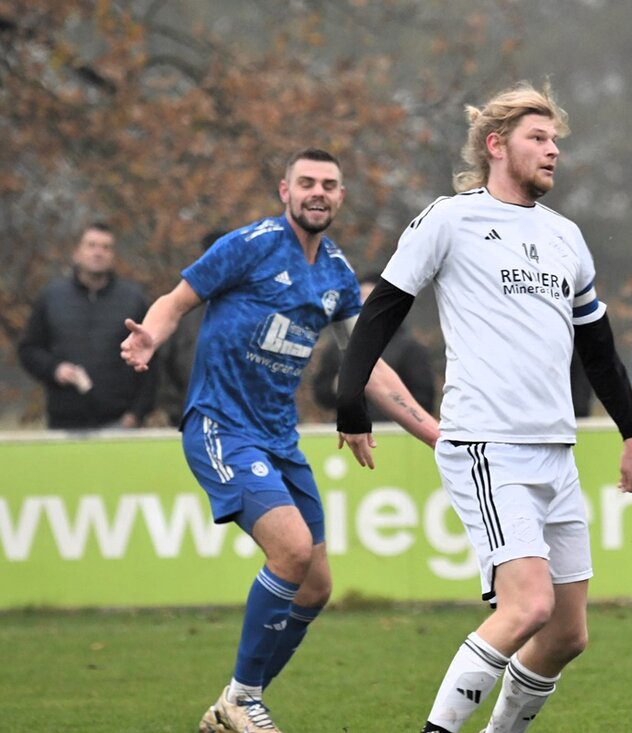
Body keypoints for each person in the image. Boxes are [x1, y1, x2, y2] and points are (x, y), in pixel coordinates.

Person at [334, 82, 632, 733]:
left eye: (555, 141)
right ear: (495, 145)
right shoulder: (450, 219)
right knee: (527, 606)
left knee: (567, 632)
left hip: (556, 449)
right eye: (538, 138)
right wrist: (350, 402)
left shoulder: (567, 236)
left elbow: (598, 350)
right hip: (488, 443)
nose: (553, 151)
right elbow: (380, 313)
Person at [119, 148, 439, 733]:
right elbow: (177, 299)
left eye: (329, 184)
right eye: (306, 182)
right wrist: (151, 336)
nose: (317, 192)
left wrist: (435, 434)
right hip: (221, 427)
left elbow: (368, 364)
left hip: (279, 440)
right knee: (290, 551)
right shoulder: (249, 245)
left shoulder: (338, 274)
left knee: (315, 586)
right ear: (284, 191)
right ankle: (243, 698)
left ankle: (232, 706)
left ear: (341, 197)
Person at [18, 222, 156, 430]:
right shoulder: (52, 297)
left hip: (120, 423)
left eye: (105, 247)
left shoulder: (133, 299)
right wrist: (54, 369)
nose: (98, 252)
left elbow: (153, 361)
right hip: (65, 422)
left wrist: (137, 413)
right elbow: (29, 349)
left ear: (113, 256)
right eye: (91, 245)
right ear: (77, 253)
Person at [312, 272, 436, 419]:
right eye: (359, 297)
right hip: (349, 433)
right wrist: (338, 384)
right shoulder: (338, 347)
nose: (363, 304)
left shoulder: (410, 348)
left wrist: (388, 394)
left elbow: (425, 400)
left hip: (395, 434)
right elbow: (321, 395)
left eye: (370, 297)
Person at [157, 229, 227, 426]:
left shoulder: (255, 307)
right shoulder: (181, 310)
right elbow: (164, 366)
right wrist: (176, 411)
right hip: (190, 421)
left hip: (245, 425)